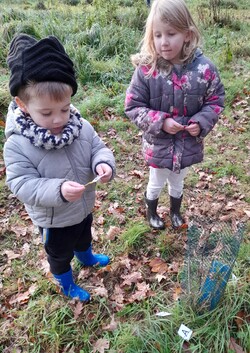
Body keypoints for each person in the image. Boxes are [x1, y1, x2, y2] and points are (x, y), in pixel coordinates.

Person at [4, 34, 116, 302]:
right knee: (60, 252)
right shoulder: (18, 144)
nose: (58, 119)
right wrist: (58, 189)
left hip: (83, 206)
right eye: (47, 113)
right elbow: (20, 183)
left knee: (83, 233)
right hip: (54, 219)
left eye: (65, 109)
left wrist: (102, 163)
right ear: (23, 105)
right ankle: (65, 282)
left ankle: (86, 256)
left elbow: (97, 147)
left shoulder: (80, 126)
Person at [125, 0, 225, 230]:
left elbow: (216, 100)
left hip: (187, 142)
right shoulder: (146, 70)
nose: (164, 42)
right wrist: (161, 121)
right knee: (156, 181)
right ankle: (152, 212)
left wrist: (200, 123)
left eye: (171, 34)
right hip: (158, 144)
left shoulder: (204, 70)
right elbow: (133, 106)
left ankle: (175, 211)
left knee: (178, 181)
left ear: (187, 35)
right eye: (157, 35)